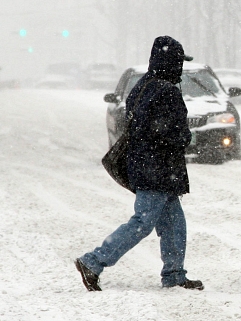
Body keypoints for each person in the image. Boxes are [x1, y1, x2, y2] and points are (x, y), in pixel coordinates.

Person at [75, 36, 203, 292]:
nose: (180, 67)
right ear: (170, 62)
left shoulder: (144, 85)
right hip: (158, 170)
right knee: (142, 223)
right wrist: (184, 135)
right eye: (178, 61)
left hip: (147, 165)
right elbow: (169, 132)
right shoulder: (166, 91)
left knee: (174, 224)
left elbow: (141, 125)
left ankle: (175, 275)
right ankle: (93, 261)